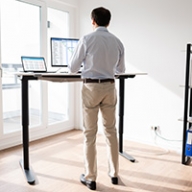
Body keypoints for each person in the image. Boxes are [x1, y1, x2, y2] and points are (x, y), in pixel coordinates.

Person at [68, 7, 125, 190]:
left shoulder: (86, 39)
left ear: (93, 21)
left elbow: (72, 68)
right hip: (109, 87)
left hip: (91, 88)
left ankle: (91, 177)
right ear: (109, 22)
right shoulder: (117, 42)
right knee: (111, 131)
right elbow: (121, 70)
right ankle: (114, 174)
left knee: (89, 134)